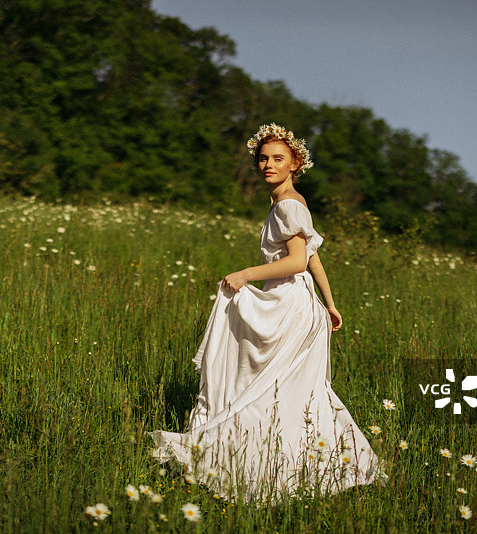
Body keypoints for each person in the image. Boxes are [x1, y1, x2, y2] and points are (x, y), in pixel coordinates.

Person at [151, 123, 385, 502]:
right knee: (293, 391)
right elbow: (313, 258)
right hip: (303, 304)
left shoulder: (288, 204)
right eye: (263, 158)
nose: (268, 165)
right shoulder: (291, 202)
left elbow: (297, 261)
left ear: (295, 163)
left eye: (278, 158)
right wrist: (329, 303)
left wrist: (246, 274)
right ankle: (306, 465)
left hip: (290, 305)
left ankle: (264, 463)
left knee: (260, 384)